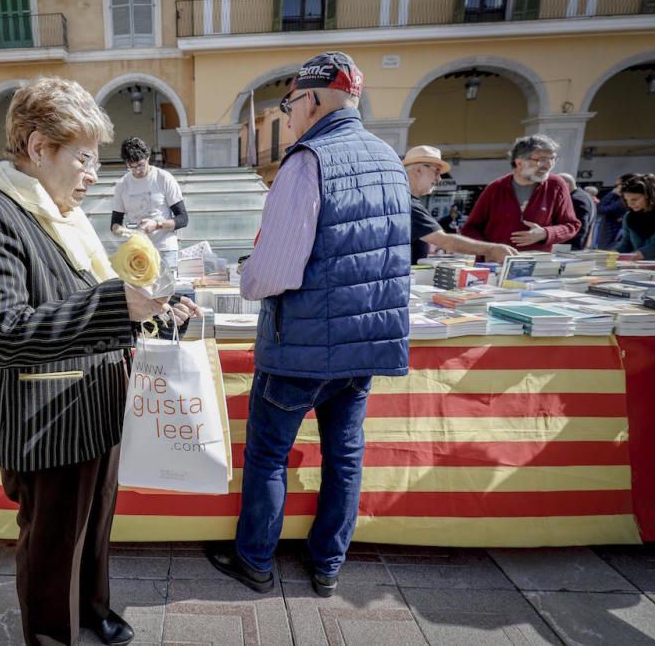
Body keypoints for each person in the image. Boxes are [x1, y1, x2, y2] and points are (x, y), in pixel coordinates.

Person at [0, 77, 199, 646]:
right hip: (48, 418)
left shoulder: (67, 217)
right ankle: (52, 635)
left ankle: (92, 609)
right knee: (53, 543)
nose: (93, 174)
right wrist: (117, 303)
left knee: (95, 527)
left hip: (99, 406)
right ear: (38, 148)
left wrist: (160, 313)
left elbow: (101, 308)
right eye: (83, 158)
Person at [205, 52, 410, 599]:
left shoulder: (307, 160)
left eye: (290, 103)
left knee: (268, 454)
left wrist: (246, 279)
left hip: (300, 346)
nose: (288, 113)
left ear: (314, 99)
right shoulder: (389, 158)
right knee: (345, 455)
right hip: (362, 345)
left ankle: (254, 561)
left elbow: (272, 272)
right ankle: (327, 565)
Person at [460, 134, 581, 251]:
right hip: (497, 265)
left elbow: (571, 225)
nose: (549, 165)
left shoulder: (556, 185)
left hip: (538, 266)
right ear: (519, 163)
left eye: (553, 158)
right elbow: (470, 228)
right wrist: (488, 251)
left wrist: (545, 233)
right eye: (542, 160)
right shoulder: (495, 188)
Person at [402, 145, 517, 264]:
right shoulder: (409, 204)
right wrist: (492, 249)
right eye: (436, 171)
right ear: (418, 170)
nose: (439, 178)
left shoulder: (403, 199)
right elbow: (445, 241)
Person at [110, 137, 188, 273]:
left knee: (166, 292)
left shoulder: (163, 178)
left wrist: (157, 225)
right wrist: (126, 230)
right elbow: (115, 224)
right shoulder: (122, 185)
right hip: (137, 250)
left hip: (164, 249)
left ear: (148, 157)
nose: (137, 171)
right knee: (140, 293)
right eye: (131, 167)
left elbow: (183, 218)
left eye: (140, 165)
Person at [616, 174, 655, 262]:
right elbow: (626, 243)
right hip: (640, 268)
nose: (629, 204)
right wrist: (610, 255)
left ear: (650, 196)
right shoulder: (629, 217)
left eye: (634, 199)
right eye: (626, 200)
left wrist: (629, 258)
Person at [557, 173, 597, 250]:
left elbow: (580, 227)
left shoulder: (575, 199)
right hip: (578, 245)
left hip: (571, 247)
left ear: (566, 185)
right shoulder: (585, 196)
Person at [595, 174, 636, 250]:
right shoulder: (619, 199)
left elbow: (601, 209)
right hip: (610, 236)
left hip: (612, 236)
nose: (616, 187)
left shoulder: (622, 201)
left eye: (618, 185)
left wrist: (612, 193)